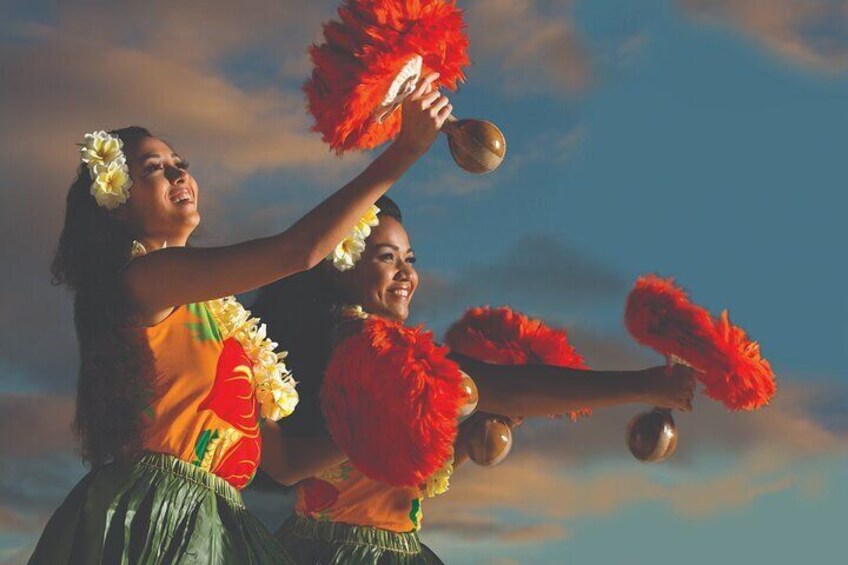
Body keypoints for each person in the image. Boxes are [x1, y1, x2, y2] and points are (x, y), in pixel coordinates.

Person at [29, 73, 452, 564]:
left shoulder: (217, 320)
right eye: (154, 168)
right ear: (117, 200)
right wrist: (404, 152)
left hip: (217, 520)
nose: (178, 174)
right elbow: (297, 251)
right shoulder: (144, 279)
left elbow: (288, 464)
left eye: (179, 164)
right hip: (158, 516)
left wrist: (385, 432)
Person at [251, 195, 696, 564]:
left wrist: (466, 440)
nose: (406, 272)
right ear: (340, 265)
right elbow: (495, 386)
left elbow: (393, 483)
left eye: (410, 258)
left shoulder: (363, 341)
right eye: (387, 258)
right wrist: (642, 385)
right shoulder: (365, 340)